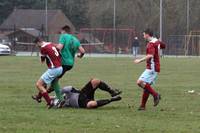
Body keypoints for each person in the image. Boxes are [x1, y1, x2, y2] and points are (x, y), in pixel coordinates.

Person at [32, 25, 85, 103]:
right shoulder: (75, 39)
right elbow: (82, 51)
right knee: (52, 80)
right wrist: (80, 56)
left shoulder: (63, 37)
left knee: (53, 82)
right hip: (70, 64)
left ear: (64, 31)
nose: (61, 33)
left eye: (61, 32)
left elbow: (59, 47)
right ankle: (40, 96)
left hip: (62, 63)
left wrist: (52, 50)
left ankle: (60, 100)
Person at [134, 29, 166, 111]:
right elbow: (163, 46)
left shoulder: (151, 44)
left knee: (139, 82)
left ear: (147, 35)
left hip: (152, 68)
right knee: (147, 87)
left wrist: (139, 60)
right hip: (155, 67)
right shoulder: (156, 41)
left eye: (144, 34)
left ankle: (155, 95)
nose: (143, 36)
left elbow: (150, 56)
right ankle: (142, 106)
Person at [52, 78, 122, 109]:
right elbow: (53, 98)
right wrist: (49, 99)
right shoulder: (63, 103)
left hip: (82, 94)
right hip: (81, 104)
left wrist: (58, 94)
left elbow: (62, 90)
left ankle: (112, 92)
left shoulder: (68, 91)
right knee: (91, 105)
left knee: (95, 81)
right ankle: (111, 99)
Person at [33, 37, 63, 109]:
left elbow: (42, 61)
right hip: (60, 68)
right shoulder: (50, 44)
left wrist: (41, 57)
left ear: (38, 42)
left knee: (39, 85)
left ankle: (50, 103)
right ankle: (39, 97)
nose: (37, 46)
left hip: (54, 69)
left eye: (36, 45)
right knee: (45, 84)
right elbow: (59, 54)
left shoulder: (43, 48)